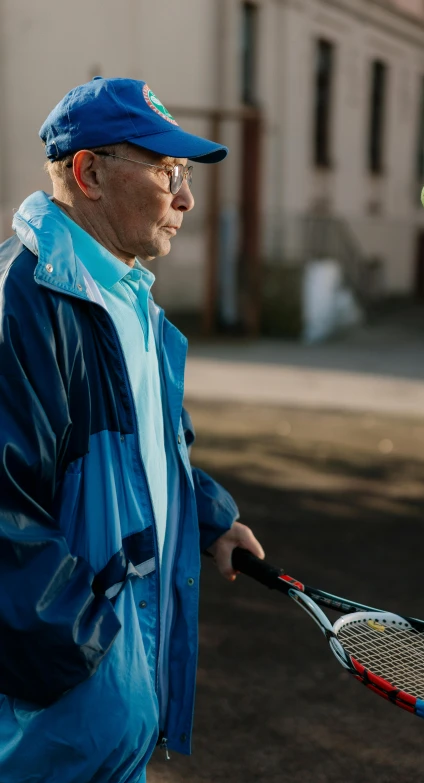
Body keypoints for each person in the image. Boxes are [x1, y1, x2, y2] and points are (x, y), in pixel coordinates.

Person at [0, 77, 264, 783]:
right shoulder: (24, 304)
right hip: (58, 718)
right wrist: (94, 662)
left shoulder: (132, 302)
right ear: (89, 173)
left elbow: (149, 446)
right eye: (166, 171)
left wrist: (210, 517)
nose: (187, 197)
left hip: (113, 704)